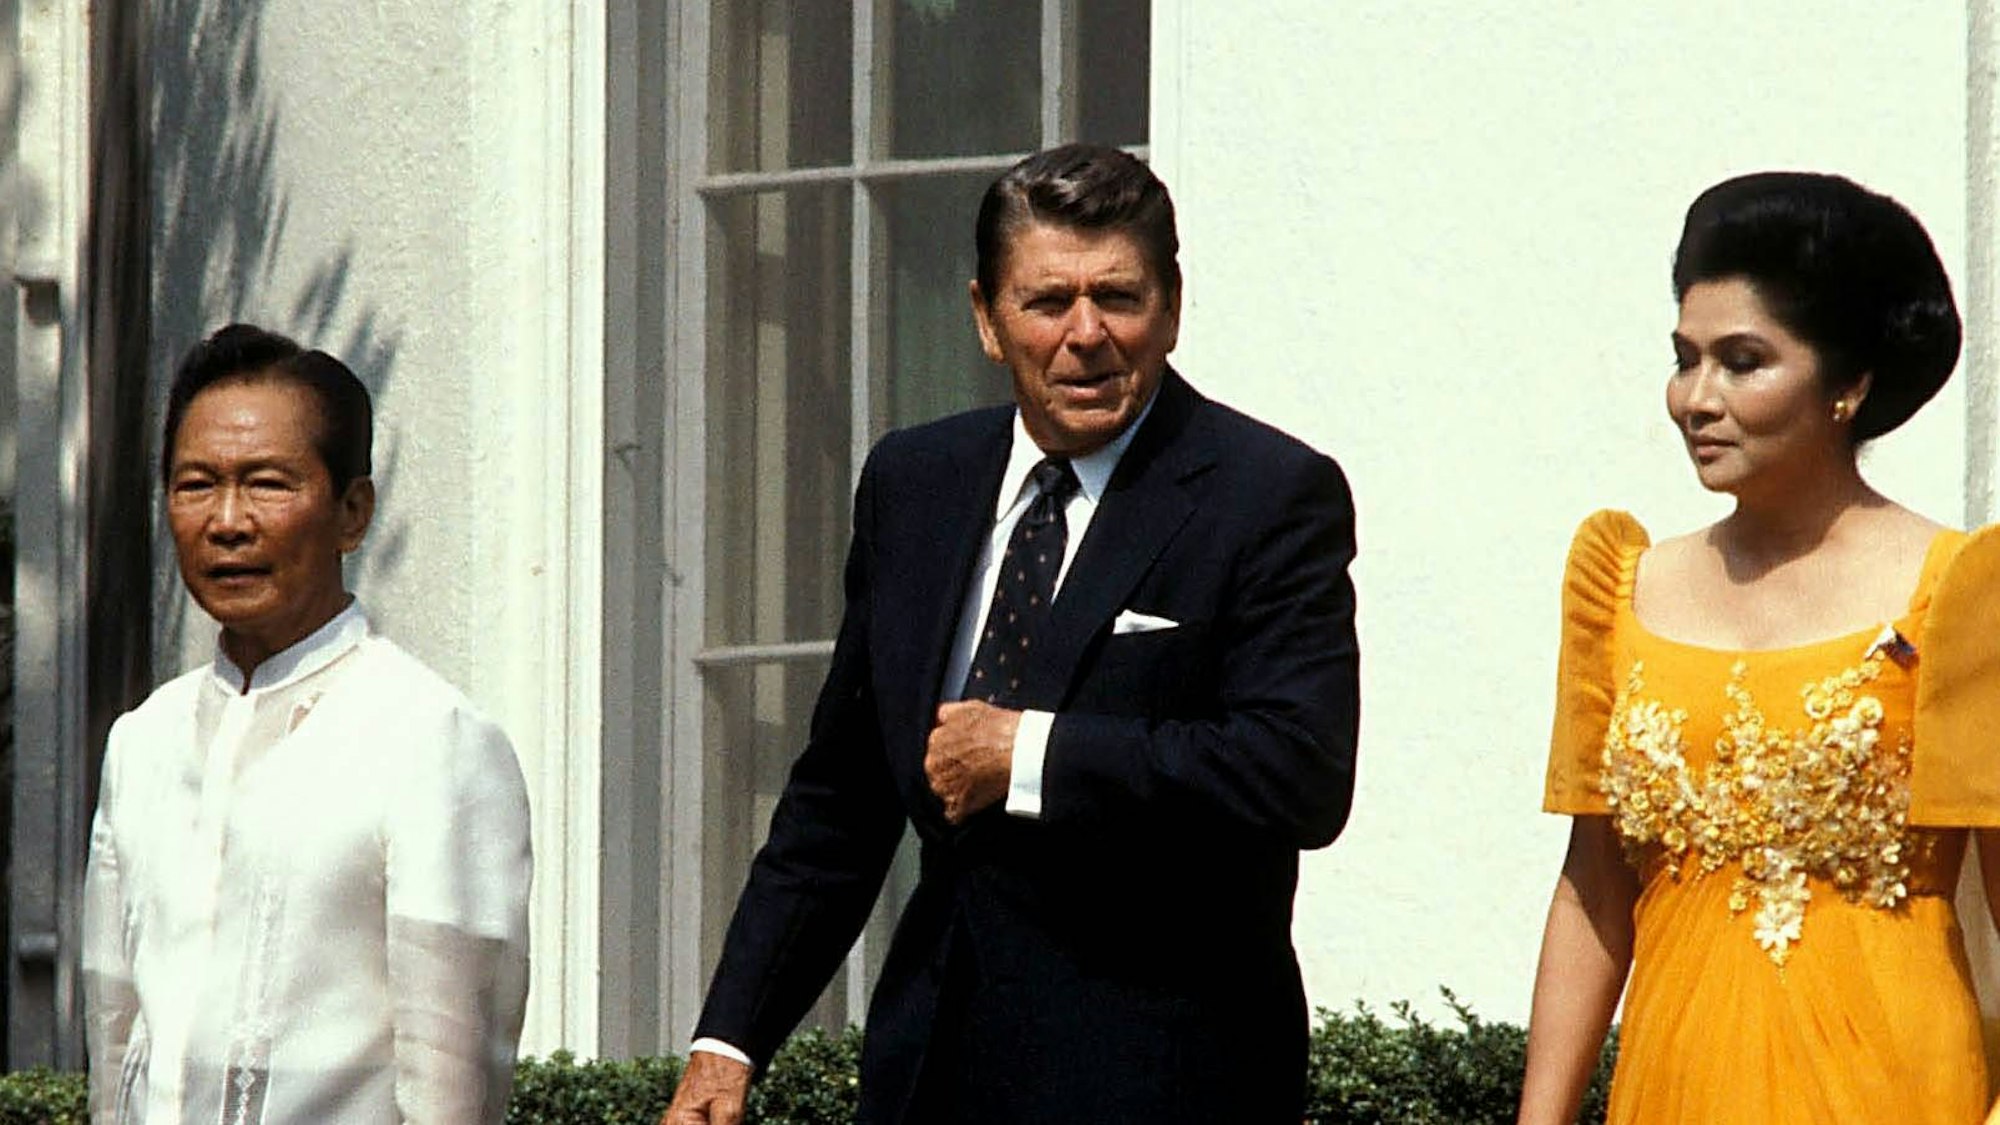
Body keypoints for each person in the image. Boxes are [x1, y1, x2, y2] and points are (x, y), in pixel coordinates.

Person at [661, 143, 1359, 1125]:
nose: (1085, 334)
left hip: (1165, 1088)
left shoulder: (1266, 496)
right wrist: (727, 1045)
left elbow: (1297, 771)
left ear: (1169, 307)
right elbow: (843, 797)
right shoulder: (912, 486)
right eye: (1046, 302)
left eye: (1116, 296)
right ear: (987, 318)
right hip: (929, 1078)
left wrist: (1027, 753)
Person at [1519, 172, 2000, 1124]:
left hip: (1895, 1087)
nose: (1696, 398)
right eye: (1684, 358)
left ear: (1849, 385)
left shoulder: (1959, 593)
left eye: (1743, 361)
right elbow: (1594, 888)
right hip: (1673, 1084)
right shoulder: (1622, 585)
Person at [81, 325, 534, 1124]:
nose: (227, 520)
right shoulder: (142, 742)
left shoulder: (429, 739)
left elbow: (452, 1077)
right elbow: (116, 1044)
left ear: (351, 511)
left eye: (265, 483)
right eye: (195, 484)